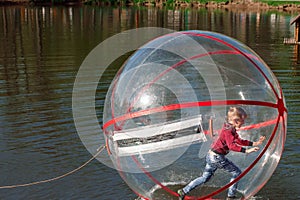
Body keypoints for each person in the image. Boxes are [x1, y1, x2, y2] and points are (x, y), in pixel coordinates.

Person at [177, 107, 266, 200]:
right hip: (217, 157)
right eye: (242, 121)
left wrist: (254, 143)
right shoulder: (228, 131)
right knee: (237, 172)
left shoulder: (229, 128)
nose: (243, 123)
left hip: (211, 156)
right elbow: (231, 146)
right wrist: (246, 151)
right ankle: (231, 196)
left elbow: (238, 140)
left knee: (205, 178)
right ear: (236, 121)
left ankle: (183, 191)